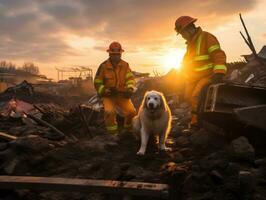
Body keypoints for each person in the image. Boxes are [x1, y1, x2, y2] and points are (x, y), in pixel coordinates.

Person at [175, 16, 227, 127]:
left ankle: (196, 123)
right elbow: (186, 63)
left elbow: (218, 55)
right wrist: (180, 81)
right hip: (193, 78)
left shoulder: (207, 37)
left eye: (183, 33)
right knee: (188, 96)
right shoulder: (190, 45)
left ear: (189, 29)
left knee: (196, 96)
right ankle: (201, 116)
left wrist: (219, 72)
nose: (183, 37)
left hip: (207, 75)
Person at [94, 41, 136, 135]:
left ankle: (127, 130)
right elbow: (97, 82)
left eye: (118, 54)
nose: (116, 56)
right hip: (108, 96)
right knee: (109, 112)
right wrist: (104, 91)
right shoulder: (103, 66)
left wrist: (130, 89)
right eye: (114, 54)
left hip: (122, 94)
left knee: (131, 112)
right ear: (110, 54)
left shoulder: (125, 65)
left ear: (121, 53)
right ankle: (113, 135)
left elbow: (130, 78)